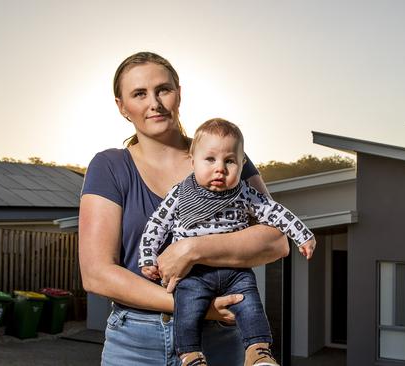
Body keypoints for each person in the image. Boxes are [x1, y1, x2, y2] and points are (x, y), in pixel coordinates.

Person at [79, 51, 290, 366]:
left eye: (163, 89)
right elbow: (97, 274)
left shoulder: (224, 157)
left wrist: (193, 248)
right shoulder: (109, 166)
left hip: (218, 338)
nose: (155, 102)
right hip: (135, 343)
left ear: (179, 93)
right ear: (122, 107)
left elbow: (277, 241)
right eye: (139, 94)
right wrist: (196, 304)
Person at [138, 118, 316, 366]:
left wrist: (303, 234)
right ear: (193, 161)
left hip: (234, 271)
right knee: (186, 308)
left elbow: (274, 212)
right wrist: (147, 257)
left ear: (242, 164)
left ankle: (258, 352)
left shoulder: (244, 193)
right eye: (210, 160)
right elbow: (156, 224)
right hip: (192, 273)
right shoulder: (179, 193)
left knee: (250, 304)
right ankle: (190, 355)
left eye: (229, 161)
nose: (220, 168)